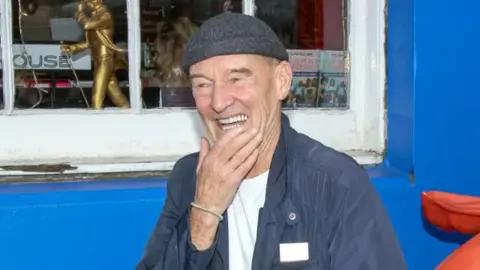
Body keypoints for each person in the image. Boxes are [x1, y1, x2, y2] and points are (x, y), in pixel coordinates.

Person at [136, 13, 407, 270]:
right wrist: (204, 215)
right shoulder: (189, 177)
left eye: (237, 78)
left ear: (281, 81)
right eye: (203, 85)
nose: (218, 102)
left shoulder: (334, 183)